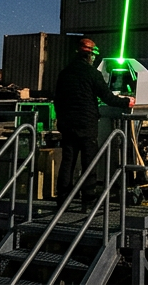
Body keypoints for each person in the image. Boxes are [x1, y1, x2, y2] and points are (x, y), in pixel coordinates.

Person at [53, 37, 133, 205]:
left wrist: (61, 119)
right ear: (90, 55)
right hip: (86, 124)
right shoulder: (93, 74)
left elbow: (57, 99)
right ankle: (88, 196)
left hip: (67, 124)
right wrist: (127, 101)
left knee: (68, 159)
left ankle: (63, 196)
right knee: (89, 160)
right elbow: (108, 97)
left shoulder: (64, 72)